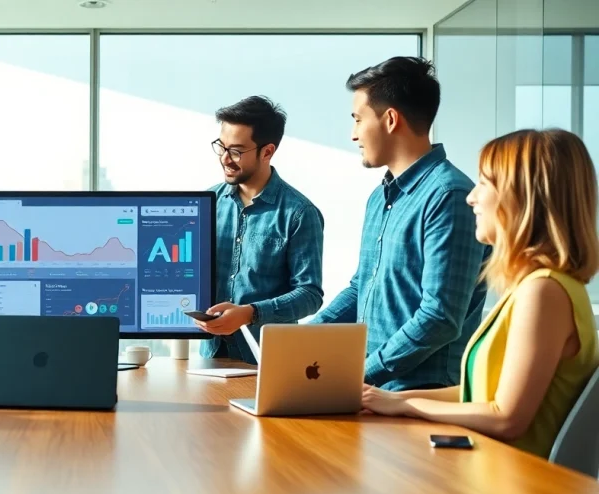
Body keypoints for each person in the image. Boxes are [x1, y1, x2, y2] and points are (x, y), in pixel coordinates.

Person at [363, 129, 599, 457]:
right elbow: (481, 395)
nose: (471, 197)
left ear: (522, 197)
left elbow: (506, 417)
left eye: (484, 184)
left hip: (517, 488)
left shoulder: (544, 292)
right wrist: (394, 400)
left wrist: (409, 405)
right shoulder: (536, 287)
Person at [309, 57, 489, 390]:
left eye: (358, 120)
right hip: (370, 395)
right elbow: (362, 286)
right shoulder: (379, 199)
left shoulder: (450, 196)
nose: (353, 135)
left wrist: (360, 374)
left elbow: (439, 318)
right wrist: (301, 340)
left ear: (390, 119)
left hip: (418, 403)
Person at [193, 96, 325, 364]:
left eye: (237, 151)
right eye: (221, 146)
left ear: (267, 151)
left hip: (268, 361)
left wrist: (250, 313)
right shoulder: (207, 203)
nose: (225, 159)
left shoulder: (299, 213)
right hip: (210, 356)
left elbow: (310, 295)